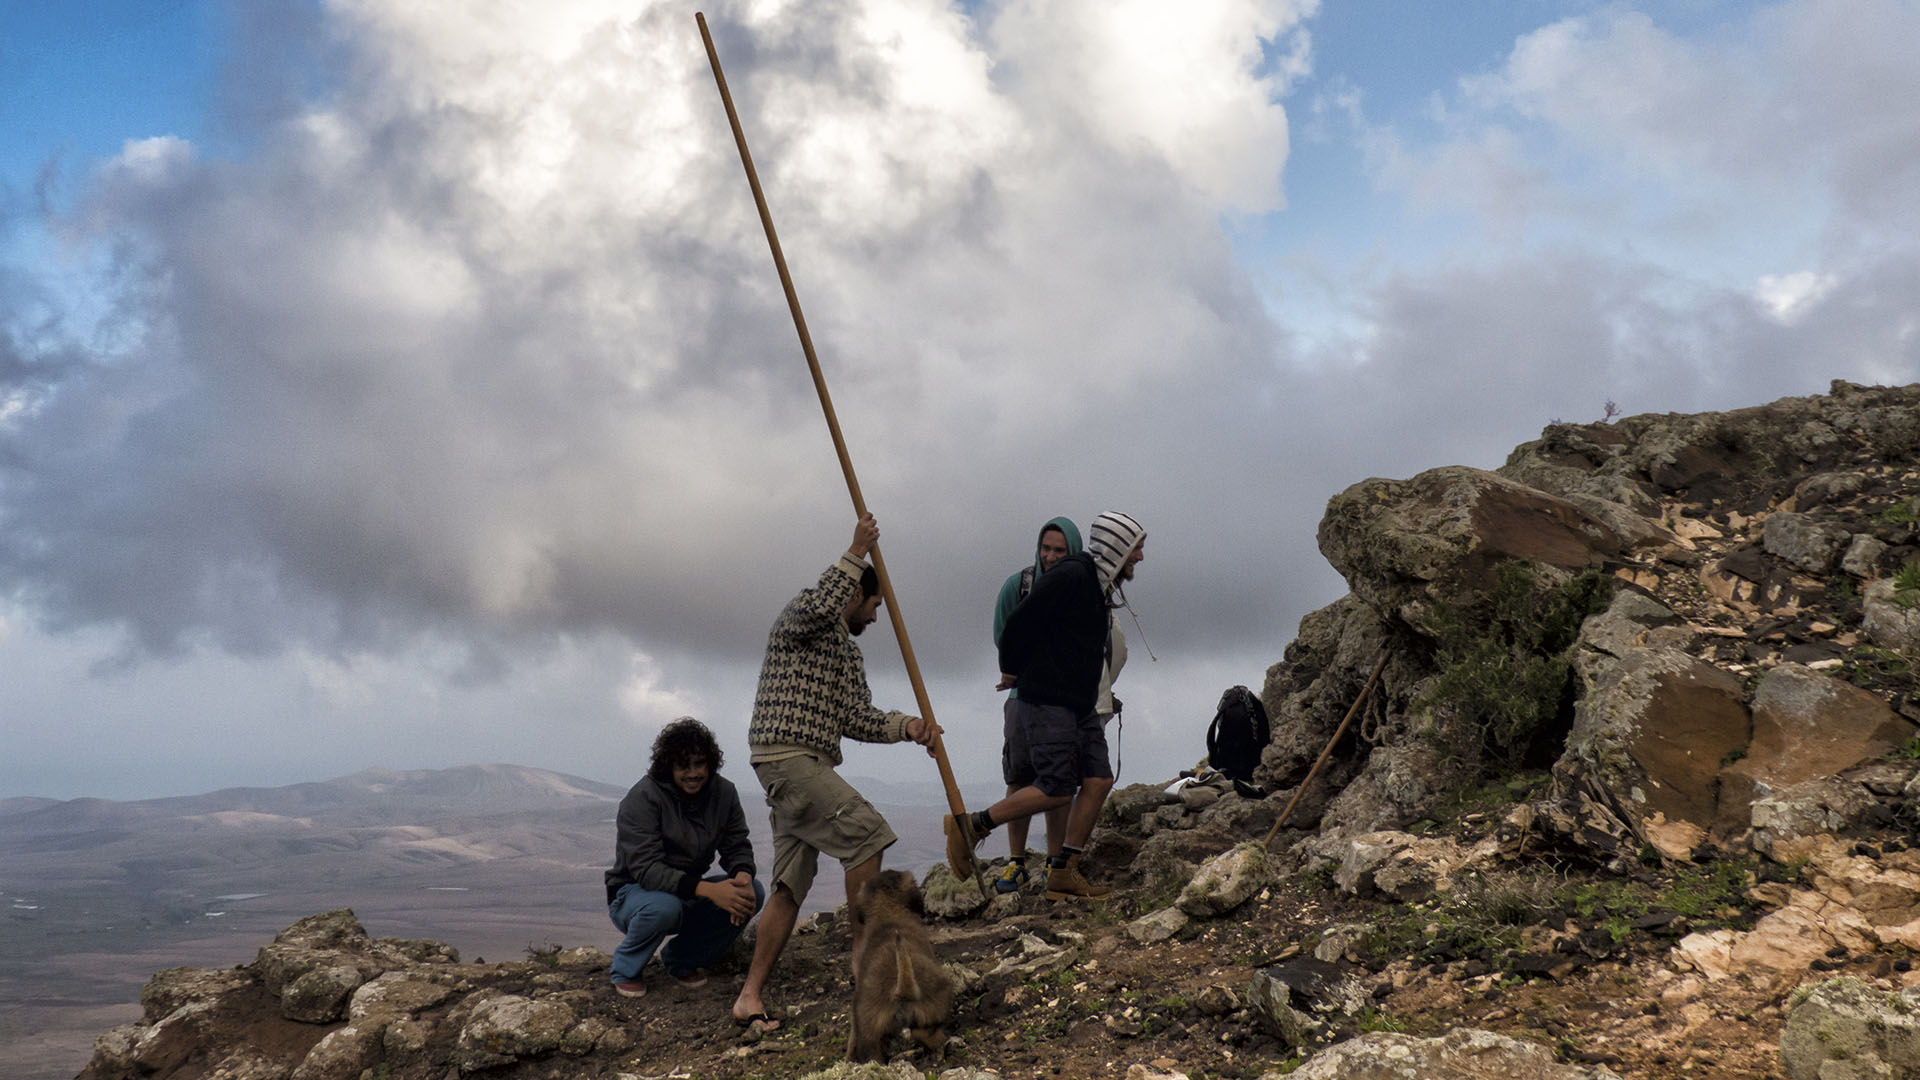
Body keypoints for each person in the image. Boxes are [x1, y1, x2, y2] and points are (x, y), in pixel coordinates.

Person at [730, 512, 940, 1029]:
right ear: (854, 595)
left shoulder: (846, 654)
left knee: (788, 886)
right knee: (866, 833)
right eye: (873, 605)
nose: (874, 618)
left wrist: (906, 727)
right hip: (787, 757)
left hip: (807, 765)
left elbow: (855, 717)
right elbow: (822, 603)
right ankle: (864, 963)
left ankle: (748, 996)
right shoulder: (800, 621)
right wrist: (856, 551)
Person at [949, 511, 1146, 900]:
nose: (1140, 557)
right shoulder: (1073, 576)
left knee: (1099, 779)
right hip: (1049, 699)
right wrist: (1011, 669)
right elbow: (1018, 624)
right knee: (1055, 788)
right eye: (1136, 547)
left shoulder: (1097, 584)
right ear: (1118, 547)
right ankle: (971, 826)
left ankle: (1061, 872)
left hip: (1081, 702)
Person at [604, 717, 763, 999]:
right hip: (635, 894)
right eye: (683, 766)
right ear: (669, 766)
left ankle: (682, 959)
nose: (693, 773)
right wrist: (709, 890)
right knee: (663, 907)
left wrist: (742, 877)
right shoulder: (643, 798)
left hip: (686, 892)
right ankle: (625, 969)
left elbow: (736, 844)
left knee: (752, 893)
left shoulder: (723, 793)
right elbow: (647, 870)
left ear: (710, 763)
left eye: (699, 764)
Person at [987, 517, 1080, 894]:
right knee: (1019, 777)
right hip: (1021, 698)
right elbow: (1002, 634)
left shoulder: (1079, 589)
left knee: (1058, 782)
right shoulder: (1019, 586)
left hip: (1061, 701)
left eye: (1060, 550)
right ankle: (1017, 862)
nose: (1051, 556)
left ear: (1072, 552)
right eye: (1046, 548)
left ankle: (1055, 862)